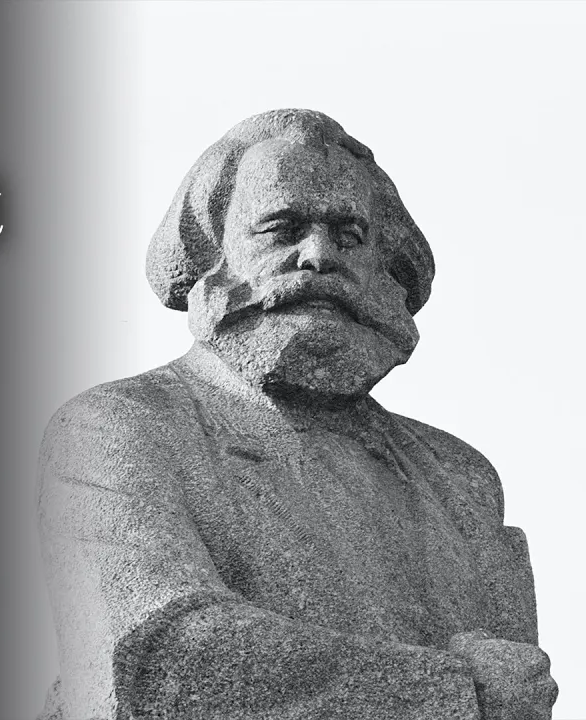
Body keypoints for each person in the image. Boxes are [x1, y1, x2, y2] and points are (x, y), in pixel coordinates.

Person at [38, 109, 557, 720]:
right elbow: (157, 658)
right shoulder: (119, 427)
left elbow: (522, 688)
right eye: (281, 229)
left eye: (349, 235)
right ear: (214, 254)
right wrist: (455, 690)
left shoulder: (458, 478)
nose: (318, 256)